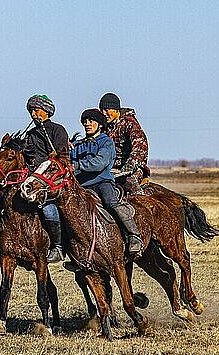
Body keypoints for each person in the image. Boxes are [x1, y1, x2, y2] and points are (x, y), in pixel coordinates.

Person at [70, 108, 143, 255]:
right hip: (82, 186)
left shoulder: (106, 142)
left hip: (102, 182)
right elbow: (69, 161)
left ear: (100, 124)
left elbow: (100, 163)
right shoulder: (78, 145)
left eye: (91, 121)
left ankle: (134, 236)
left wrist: (77, 165)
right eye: (85, 122)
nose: (87, 124)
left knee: (111, 203)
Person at [23, 94, 69, 263]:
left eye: (36, 110)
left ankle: (57, 246)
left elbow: (63, 157)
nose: (33, 114)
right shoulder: (30, 134)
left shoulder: (58, 130)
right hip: (32, 178)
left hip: (52, 180)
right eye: (31, 111)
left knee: (48, 209)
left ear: (46, 111)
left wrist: (54, 155)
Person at [98, 92, 149, 193]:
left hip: (131, 169)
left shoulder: (129, 122)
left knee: (129, 183)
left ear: (116, 110)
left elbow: (140, 146)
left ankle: (142, 202)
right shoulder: (103, 126)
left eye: (107, 110)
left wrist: (128, 167)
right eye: (102, 110)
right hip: (110, 169)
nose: (104, 113)